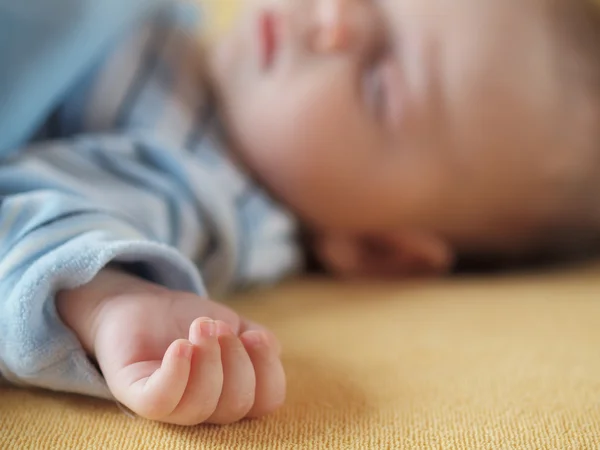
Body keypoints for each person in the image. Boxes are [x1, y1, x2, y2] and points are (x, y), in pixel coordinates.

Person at [1, 0, 599, 426]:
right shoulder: (189, 39)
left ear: (377, 249)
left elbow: (27, 225)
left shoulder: (206, 185)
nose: (333, 18)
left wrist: (107, 302)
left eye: (379, 83)